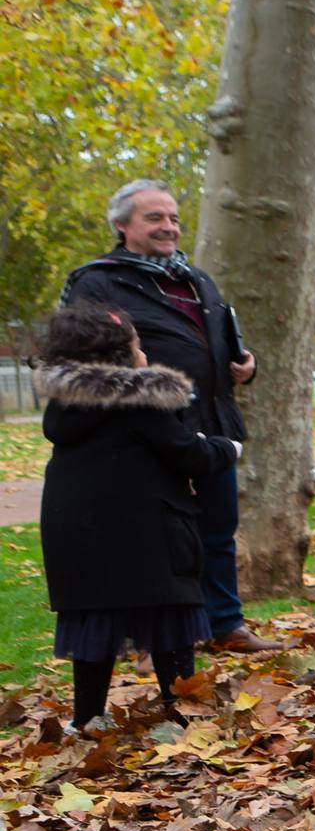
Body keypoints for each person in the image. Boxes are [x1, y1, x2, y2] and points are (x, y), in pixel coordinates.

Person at [59, 179, 278, 652]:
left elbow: (216, 341)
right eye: (154, 217)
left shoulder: (196, 279)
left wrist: (245, 366)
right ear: (122, 225)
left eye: (174, 218)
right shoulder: (97, 281)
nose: (169, 227)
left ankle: (224, 625)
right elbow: (81, 358)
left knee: (218, 531)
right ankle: (153, 640)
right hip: (149, 434)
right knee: (156, 543)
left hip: (213, 424)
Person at [34, 304, 243, 734]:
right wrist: (227, 447)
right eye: (137, 345)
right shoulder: (141, 400)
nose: (144, 354)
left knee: (95, 622)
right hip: (147, 532)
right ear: (120, 355)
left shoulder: (65, 405)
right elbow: (187, 452)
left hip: (77, 533)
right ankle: (182, 710)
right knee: (171, 615)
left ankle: (88, 716)